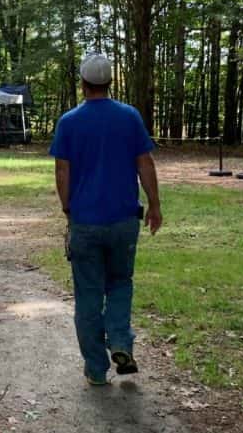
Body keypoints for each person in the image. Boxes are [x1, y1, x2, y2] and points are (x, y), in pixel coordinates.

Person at [49, 53, 163, 385]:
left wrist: (68, 207)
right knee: (120, 283)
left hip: (85, 221)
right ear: (109, 82)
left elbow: (62, 169)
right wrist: (154, 206)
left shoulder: (69, 122)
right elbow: (145, 163)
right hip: (124, 220)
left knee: (87, 294)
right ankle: (120, 342)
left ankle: (96, 371)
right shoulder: (129, 117)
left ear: (83, 84)